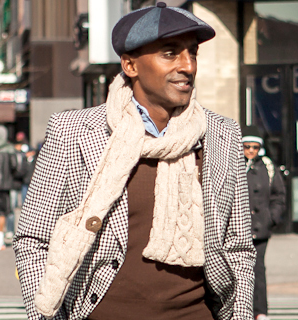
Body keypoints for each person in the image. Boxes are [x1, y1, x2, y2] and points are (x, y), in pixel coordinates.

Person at [15, 3, 255, 319]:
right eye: (170, 53)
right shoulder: (73, 131)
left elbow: (237, 248)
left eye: (192, 53)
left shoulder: (221, 134)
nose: (188, 66)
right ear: (130, 65)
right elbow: (34, 241)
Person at [241, 130, 285, 320]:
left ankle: (260, 312)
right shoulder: (234, 164)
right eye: (247, 146)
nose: (251, 151)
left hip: (261, 229)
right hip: (238, 229)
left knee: (258, 270)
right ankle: (241, 310)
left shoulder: (268, 167)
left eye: (255, 147)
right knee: (239, 270)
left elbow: (279, 195)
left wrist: (272, 218)